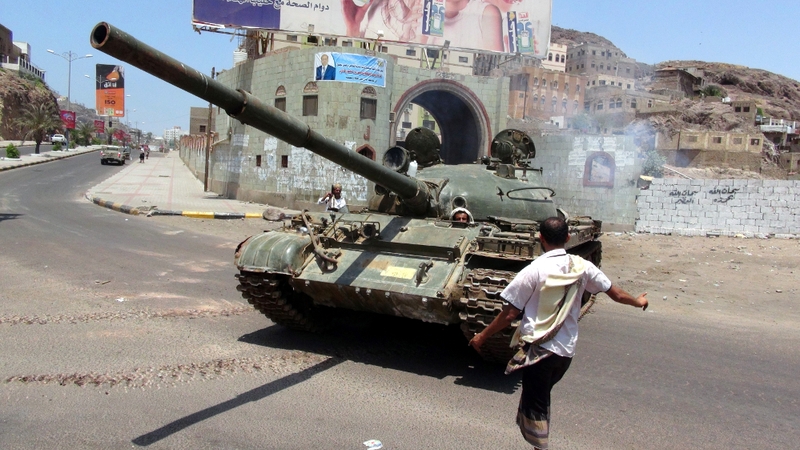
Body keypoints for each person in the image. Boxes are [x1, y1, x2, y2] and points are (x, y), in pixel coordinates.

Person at [468, 217, 648, 449]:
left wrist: (482, 336)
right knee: (538, 397)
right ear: (568, 237)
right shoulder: (582, 266)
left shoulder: (534, 270)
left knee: (537, 407)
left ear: (540, 238)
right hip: (564, 354)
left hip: (541, 353)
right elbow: (617, 294)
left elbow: (510, 313)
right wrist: (638, 301)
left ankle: (539, 445)